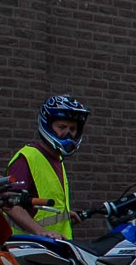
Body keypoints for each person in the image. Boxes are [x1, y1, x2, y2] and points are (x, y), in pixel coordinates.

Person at [5, 95, 90, 239]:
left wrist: (63, 217)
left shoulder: (57, 160)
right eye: (62, 127)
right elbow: (10, 204)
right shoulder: (28, 157)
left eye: (73, 129)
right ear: (48, 125)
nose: (68, 133)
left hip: (55, 246)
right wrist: (40, 232)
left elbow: (42, 206)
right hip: (29, 247)